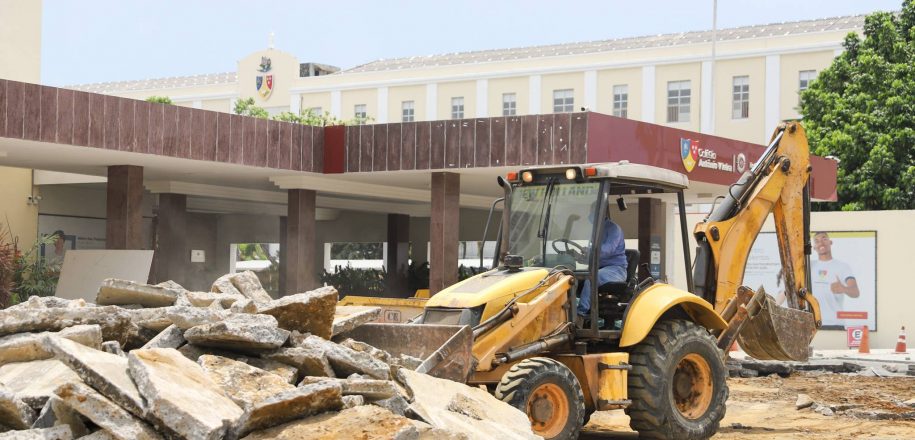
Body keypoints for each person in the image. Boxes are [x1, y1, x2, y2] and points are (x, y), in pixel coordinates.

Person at [577, 208, 628, 325]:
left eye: (592, 212)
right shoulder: (596, 231)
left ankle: (580, 316)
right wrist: (580, 257)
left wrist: (589, 251)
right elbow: (595, 257)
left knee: (592, 278)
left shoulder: (613, 229)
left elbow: (607, 250)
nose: (590, 215)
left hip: (616, 269)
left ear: (600, 212)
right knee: (572, 277)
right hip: (600, 267)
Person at [810, 231, 859, 327]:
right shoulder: (809, 265)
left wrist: (843, 288)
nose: (821, 243)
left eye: (824, 239)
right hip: (812, 324)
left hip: (834, 323)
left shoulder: (842, 267)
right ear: (814, 247)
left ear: (830, 242)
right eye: (817, 241)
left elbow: (855, 292)